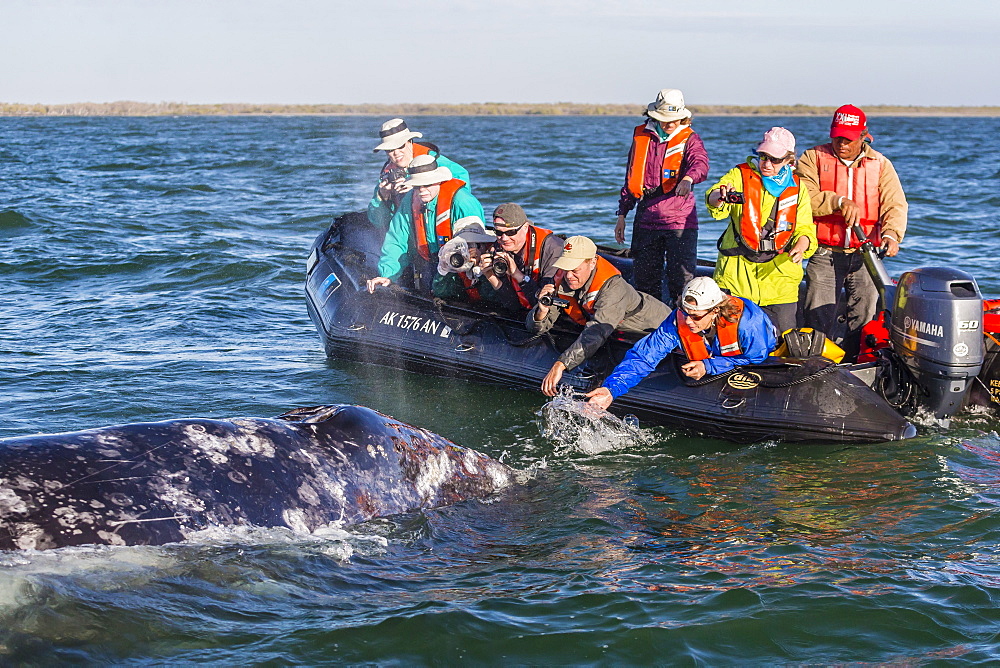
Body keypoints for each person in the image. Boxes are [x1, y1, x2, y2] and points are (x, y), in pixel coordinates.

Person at [796, 105, 908, 353]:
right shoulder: (811, 158)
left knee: (867, 318)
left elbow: (895, 204)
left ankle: (859, 366)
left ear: (863, 135)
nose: (842, 143)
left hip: (865, 255)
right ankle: (816, 365)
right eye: (837, 137)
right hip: (824, 253)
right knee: (817, 319)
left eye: (848, 138)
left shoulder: (880, 164)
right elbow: (805, 197)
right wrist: (837, 202)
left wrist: (891, 235)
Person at [585, 276, 778, 410]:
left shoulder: (749, 325)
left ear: (715, 311)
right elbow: (645, 356)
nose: (688, 322)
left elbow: (757, 358)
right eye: (685, 314)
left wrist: (709, 365)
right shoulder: (680, 319)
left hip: (755, 358)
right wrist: (611, 389)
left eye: (695, 317)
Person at [706, 127, 817, 335]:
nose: (767, 164)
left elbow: (805, 228)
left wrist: (802, 246)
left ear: (788, 160)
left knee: (781, 345)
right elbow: (713, 200)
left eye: (775, 159)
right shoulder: (739, 175)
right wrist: (719, 196)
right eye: (763, 156)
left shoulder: (798, 188)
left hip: (780, 284)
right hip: (735, 280)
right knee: (727, 340)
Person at [528, 236, 671, 396]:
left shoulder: (613, 289)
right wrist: (542, 309)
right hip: (616, 331)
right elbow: (535, 327)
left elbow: (596, 332)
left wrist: (561, 364)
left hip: (653, 325)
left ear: (593, 263)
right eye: (566, 268)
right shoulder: (564, 281)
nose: (569, 275)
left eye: (575, 269)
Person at [615, 89, 710, 304]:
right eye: (665, 119)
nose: (669, 124)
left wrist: (688, 179)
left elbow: (700, 164)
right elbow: (631, 177)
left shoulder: (691, 140)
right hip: (646, 220)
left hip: (679, 222)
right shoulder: (642, 137)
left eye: (674, 120)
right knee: (644, 282)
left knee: (681, 283)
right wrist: (622, 214)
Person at [366, 154, 484, 296]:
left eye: (427, 184)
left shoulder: (463, 202)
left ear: (439, 181)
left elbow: (478, 244)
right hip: (431, 266)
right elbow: (397, 240)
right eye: (416, 186)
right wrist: (388, 276)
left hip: (462, 268)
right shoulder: (410, 201)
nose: (422, 190)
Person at [367, 118, 470, 231]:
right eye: (390, 150)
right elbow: (376, 221)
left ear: (410, 141)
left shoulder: (434, 162)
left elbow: (463, 184)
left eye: (400, 146)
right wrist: (382, 196)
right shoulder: (387, 177)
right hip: (406, 233)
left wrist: (420, 184)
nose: (396, 153)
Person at [474, 203, 565, 312]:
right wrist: (490, 275)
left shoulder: (552, 250)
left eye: (511, 232)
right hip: (523, 312)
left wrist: (517, 275)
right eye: (498, 232)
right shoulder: (499, 247)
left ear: (526, 227)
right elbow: (512, 304)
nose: (504, 238)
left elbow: (544, 304)